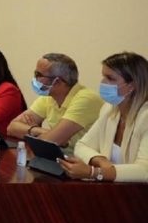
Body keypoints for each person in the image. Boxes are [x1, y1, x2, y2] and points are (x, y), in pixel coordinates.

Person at [60, 52, 148, 182]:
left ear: (131, 86)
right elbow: (82, 145)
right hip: (112, 189)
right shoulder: (109, 109)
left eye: (110, 78)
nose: (103, 82)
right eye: (103, 77)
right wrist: (101, 161)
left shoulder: (145, 117)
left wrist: (94, 172)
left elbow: (145, 170)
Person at [6, 52, 103, 152]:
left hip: (84, 160)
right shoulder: (49, 96)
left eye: (38, 75)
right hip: (59, 156)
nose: (35, 79)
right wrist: (37, 130)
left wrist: (34, 133)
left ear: (57, 81)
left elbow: (49, 141)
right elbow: (11, 128)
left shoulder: (86, 99)